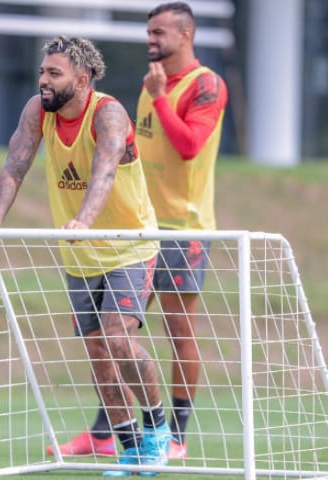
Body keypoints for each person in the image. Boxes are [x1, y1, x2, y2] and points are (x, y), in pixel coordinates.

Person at [0, 35, 171, 476]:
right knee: (99, 353)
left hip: (128, 246)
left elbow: (105, 170)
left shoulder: (109, 113)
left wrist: (84, 219)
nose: (43, 80)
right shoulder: (38, 110)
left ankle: (158, 428)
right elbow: (14, 165)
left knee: (119, 340)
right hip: (79, 257)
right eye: (42, 71)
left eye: (53, 73)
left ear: (83, 78)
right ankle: (132, 449)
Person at [53, 2, 229, 461]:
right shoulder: (151, 84)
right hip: (139, 227)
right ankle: (107, 431)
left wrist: (164, 97)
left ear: (185, 35)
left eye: (159, 32)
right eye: (148, 31)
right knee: (112, 334)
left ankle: (177, 436)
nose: (150, 39)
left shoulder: (205, 84)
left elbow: (190, 147)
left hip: (184, 227)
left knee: (176, 329)